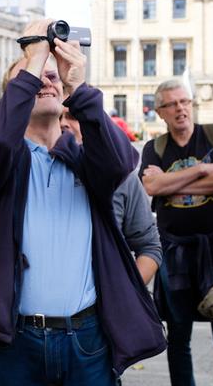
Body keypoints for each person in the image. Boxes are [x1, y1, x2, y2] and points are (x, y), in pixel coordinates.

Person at [0, 20, 166, 386]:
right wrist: (34, 58)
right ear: (15, 97)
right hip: (17, 342)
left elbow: (121, 160)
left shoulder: (85, 162)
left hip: (86, 339)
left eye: (52, 77)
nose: (44, 82)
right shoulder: (2, 163)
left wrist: (79, 87)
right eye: (35, 77)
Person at [140, 79, 213, 386]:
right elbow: (151, 188)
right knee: (178, 334)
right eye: (172, 104)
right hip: (175, 250)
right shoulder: (153, 148)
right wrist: (200, 170)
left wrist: (171, 183)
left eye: (185, 101)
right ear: (160, 112)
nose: (180, 108)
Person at [60, 108, 162, 284]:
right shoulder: (32, 173)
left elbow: (149, 246)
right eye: (57, 117)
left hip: (104, 305)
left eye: (73, 117)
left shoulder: (123, 178)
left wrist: (127, 293)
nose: (62, 123)